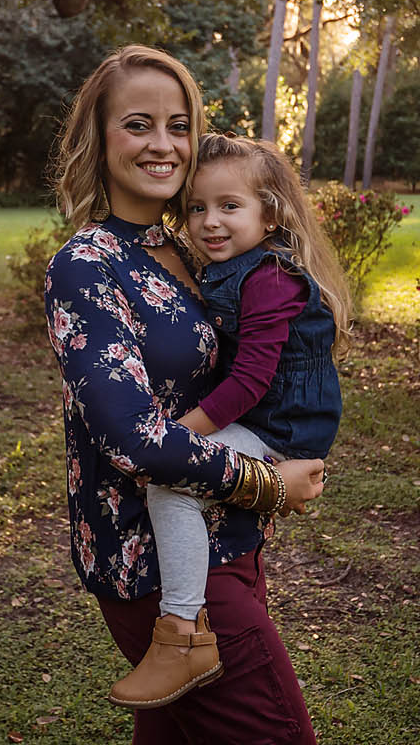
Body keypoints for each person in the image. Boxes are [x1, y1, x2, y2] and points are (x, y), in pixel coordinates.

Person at [44, 45, 324, 744]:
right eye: (138, 124)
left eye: (179, 124)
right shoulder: (87, 265)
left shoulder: (190, 246)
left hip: (221, 540)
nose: (164, 144)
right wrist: (265, 484)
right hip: (149, 563)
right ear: (98, 139)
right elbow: (134, 438)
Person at [107, 133, 350, 711]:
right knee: (178, 483)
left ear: (271, 214)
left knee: (174, 486)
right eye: (197, 208)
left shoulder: (267, 277)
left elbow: (251, 382)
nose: (210, 222)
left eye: (229, 206)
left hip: (281, 427)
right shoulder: (227, 267)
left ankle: (182, 633)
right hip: (268, 415)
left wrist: (179, 435)